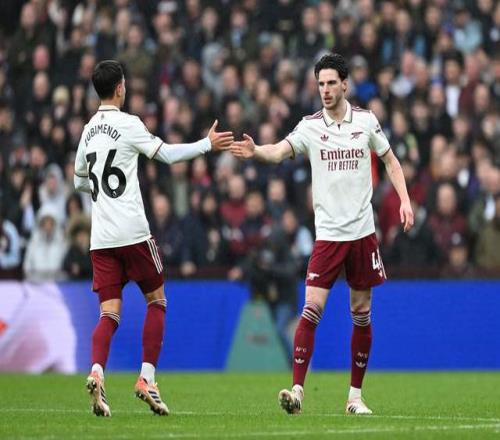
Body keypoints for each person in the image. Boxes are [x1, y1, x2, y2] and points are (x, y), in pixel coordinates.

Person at [231, 53, 414, 415]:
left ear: (345, 84)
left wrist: (405, 200)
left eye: (331, 83)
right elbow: (279, 151)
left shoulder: (366, 121)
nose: (325, 90)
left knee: (361, 313)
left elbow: (390, 160)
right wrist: (256, 152)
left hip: (362, 234)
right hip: (328, 236)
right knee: (311, 309)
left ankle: (355, 397)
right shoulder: (310, 127)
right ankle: (297, 390)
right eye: (320, 84)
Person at [74, 60, 233, 417]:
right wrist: (206, 145)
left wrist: (101, 193)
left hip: (101, 238)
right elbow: (167, 155)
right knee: (157, 301)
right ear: (120, 88)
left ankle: (97, 371)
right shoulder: (129, 124)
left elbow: (78, 180)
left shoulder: (87, 131)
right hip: (132, 232)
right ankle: (147, 378)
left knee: (109, 313)